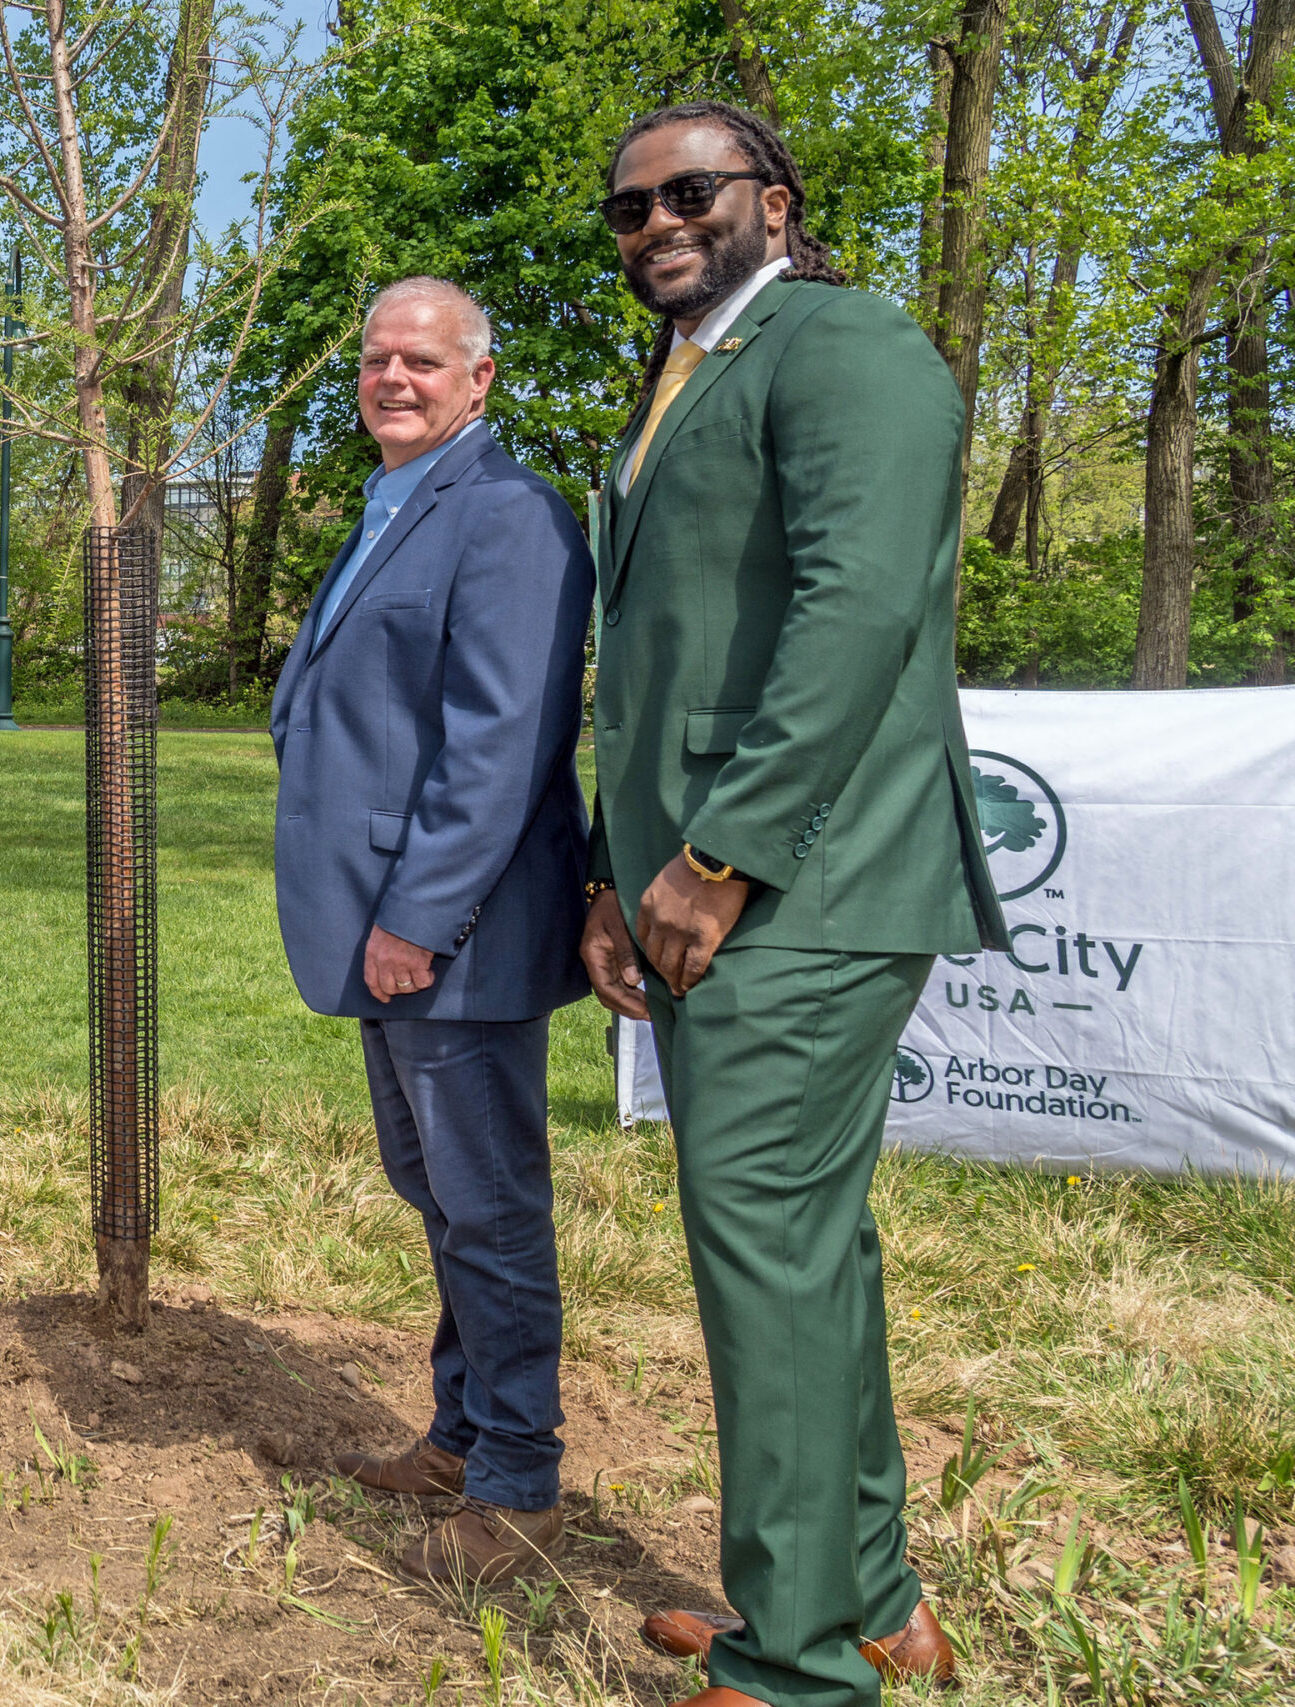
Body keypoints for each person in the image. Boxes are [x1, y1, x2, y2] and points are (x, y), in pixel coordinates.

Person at [577, 102, 1007, 1707]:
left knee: (760, 1241)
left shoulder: (849, 344)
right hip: (704, 883)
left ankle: (799, 1665)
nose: (656, 227)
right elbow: (670, 657)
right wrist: (622, 870)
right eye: (628, 212)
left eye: (688, 193)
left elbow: (860, 603)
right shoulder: (689, 373)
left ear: (773, 199)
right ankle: (866, 1598)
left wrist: (726, 850)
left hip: (801, 886)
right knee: (802, 1247)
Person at [270, 278, 593, 1583]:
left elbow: (498, 739)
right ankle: (461, 1431)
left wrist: (418, 915)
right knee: (439, 1195)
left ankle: (517, 1478)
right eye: (374, 358)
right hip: (385, 937)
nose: (392, 376)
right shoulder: (395, 501)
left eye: (421, 358)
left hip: (449, 939)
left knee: (488, 1206)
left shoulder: (510, 515)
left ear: (481, 378)